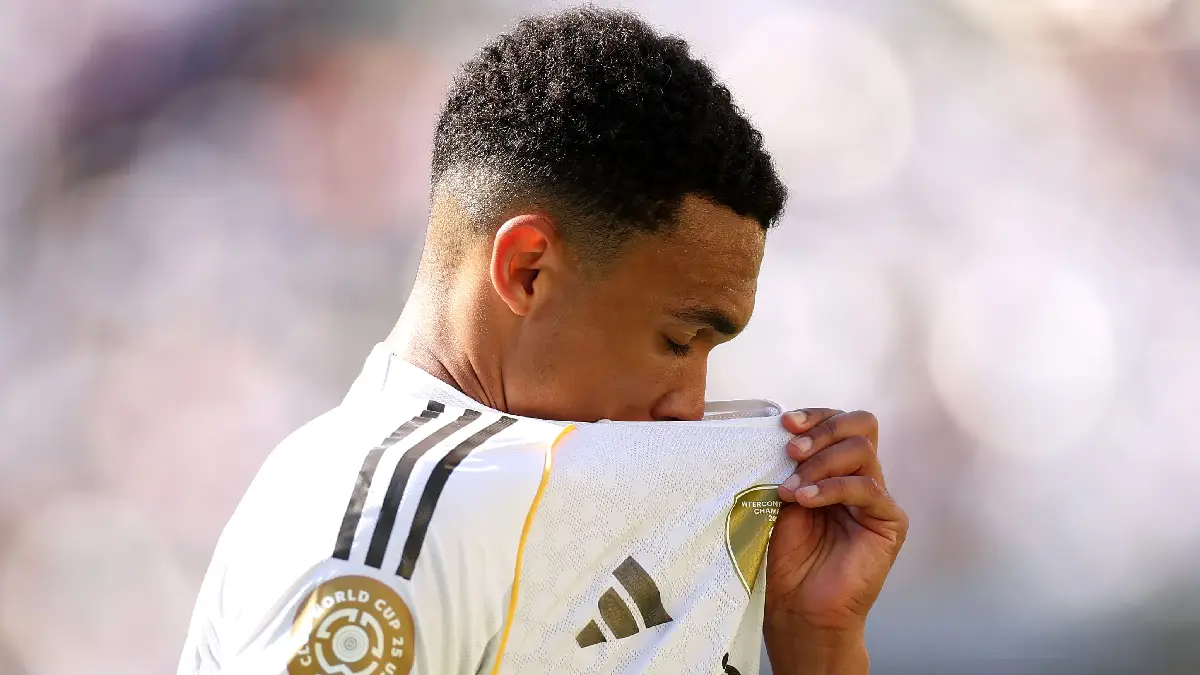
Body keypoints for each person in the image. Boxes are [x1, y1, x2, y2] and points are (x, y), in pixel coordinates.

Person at [177, 7, 907, 675]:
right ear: (527, 271)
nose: (689, 405)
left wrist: (818, 640)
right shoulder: (381, 532)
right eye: (678, 340)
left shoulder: (564, 503)